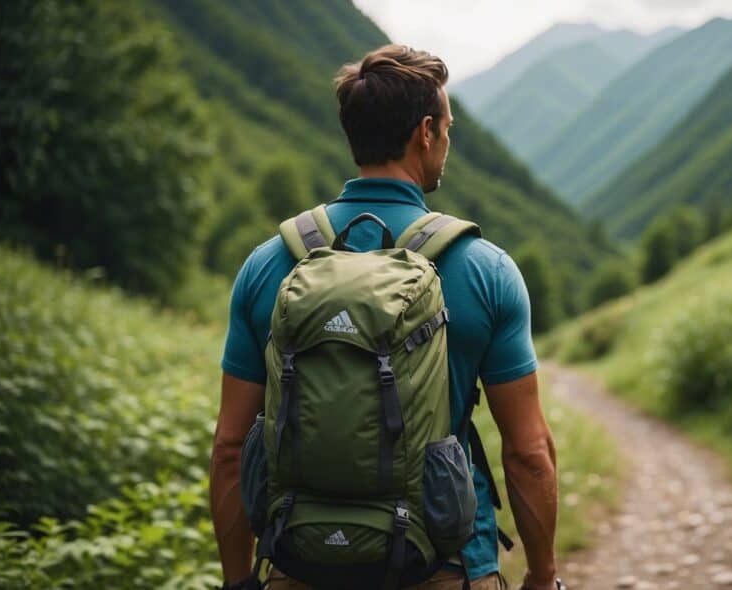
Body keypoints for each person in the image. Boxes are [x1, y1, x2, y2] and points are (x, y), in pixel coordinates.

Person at [210, 44, 561, 590]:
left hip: (300, 563)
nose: (448, 139)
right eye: (447, 126)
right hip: (443, 564)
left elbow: (231, 448)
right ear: (426, 132)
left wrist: (238, 582)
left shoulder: (269, 264)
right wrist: (543, 576)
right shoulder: (483, 269)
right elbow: (528, 453)